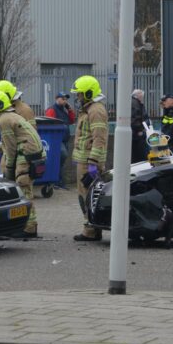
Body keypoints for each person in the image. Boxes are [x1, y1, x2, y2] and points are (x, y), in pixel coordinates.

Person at [0, 90, 44, 238]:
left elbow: (10, 149)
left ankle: (29, 228)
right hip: (31, 155)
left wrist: (9, 170)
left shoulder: (4, 120)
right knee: (24, 190)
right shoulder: (11, 116)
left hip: (26, 156)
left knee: (23, 190)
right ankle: (25, 225)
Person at [70, 75, 108, 242]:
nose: (77, 97)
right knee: (86, 194)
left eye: (79, 94)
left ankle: (90, 231)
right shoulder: (89, 109)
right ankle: (92, 228)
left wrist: (93, 162)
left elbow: (99, 138)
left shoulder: (95, 111)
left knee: (87, 195)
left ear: (88, 93)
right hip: (85, 160)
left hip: (89, 162)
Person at [0, 80, 36, 174]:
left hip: (20, 157)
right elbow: (7, 135)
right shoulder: (6, 109)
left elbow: (31, 135)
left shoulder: (24, 110)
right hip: (8, 154)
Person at [44, 92, 76, 189]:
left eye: (65, 99)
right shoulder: (52, 110)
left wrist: (70, 110)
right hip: (56, 140)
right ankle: (56, 181)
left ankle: (58, 181)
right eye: (62, 98)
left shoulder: (64, 110)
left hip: (65, 139)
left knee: (61, 161)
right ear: (56, 99)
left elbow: (72, 121)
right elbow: (49, 124)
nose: (64, 100)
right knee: (62, 156)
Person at [130, 89, 151, 164]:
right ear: (138, 95)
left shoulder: (135, 103)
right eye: (142, 96)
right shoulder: (135, 103)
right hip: (137, 134)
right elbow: (136, 118)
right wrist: (139, 130)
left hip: (136, 133)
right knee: (139, 155)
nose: (142, 98)